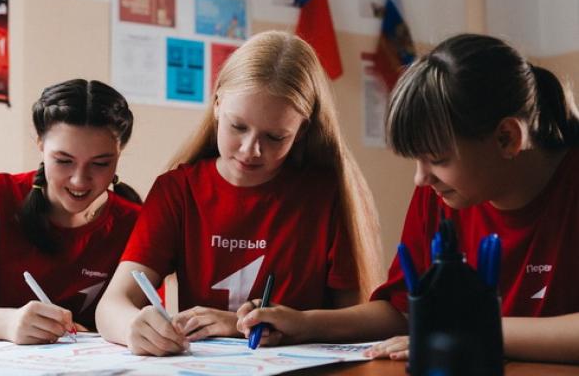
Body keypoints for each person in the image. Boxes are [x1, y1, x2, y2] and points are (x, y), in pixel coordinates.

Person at [236, 33, 579, 364]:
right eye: (416, 159)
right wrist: (304, 324)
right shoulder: (440, 194)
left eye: (438, 159)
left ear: (506, 138)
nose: (421, 178)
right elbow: (403, 309)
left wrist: (470, 332)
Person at [96, 30, 384, 356]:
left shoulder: (327, 195)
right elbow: (112, 306)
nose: (250, 150)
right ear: (217, 105)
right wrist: (133, 326)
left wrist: (244, 324)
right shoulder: (178, 190)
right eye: (238, 127)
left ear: (301, 130)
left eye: (275, 137)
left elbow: (358, 320)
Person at [0, 79, 142, 345]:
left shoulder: (137, 223)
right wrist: (8, 323)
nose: (79, 180)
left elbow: (140, 320)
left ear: (119, 152)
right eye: (63, 160)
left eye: (100, 163)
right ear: (40, 144)